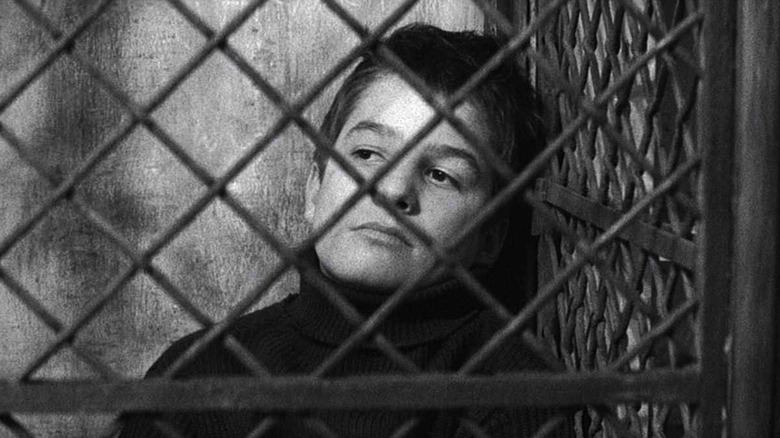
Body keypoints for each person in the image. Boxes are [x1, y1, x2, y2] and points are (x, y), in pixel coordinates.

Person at [119, 23, 570, 438]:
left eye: (441, 175)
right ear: (314, 190)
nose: (392, 188)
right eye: (368, 154)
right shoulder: (197, 373)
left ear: (490, 237)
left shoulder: (508, 393)